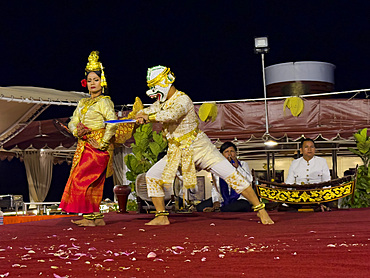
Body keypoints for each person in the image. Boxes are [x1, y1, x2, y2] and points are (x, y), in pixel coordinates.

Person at [136, 65, 274, 225]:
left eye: (154, 86)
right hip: (177, 152)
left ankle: (261, 210)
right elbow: (153, 109)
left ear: (166, 82)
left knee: (233, 176)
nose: (152, 92)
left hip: (200, 148)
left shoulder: (183, 100)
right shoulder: (162, 102)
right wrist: (141, 114)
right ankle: (161, 216)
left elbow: (171, 115)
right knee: (152, 175)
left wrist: (149, 117)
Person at [59, 51, 118, 227]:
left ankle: (90, 216)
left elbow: (112, 124)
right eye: (90, 80)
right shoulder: (82, 103)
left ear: (102, 81)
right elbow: (72, 121)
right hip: (84, 144)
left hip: (97, 146)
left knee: (82, 179)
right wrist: (77, 130)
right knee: (91, 182)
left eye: (96, 80)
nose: (93, 83)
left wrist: (103, 143)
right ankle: (95, 217)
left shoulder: (105, 102)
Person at [196, 141, 252, 212]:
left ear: (235, 153)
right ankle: (220, 208)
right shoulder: (218, 167)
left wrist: (238, 168)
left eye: (232, 151)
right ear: (222, 155)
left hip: (239, 198)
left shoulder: (243, 164)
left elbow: (249, 180)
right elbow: (215, 187)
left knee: (243, 206)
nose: (229, 154)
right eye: (226, 152)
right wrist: (216, 201)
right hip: (223, 198)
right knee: (200, 207)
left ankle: (220, 209)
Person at [285, 138, 331, 211]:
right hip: (299, 199)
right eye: (306, 147)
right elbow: (289, 183)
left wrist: (325, 199)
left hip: (318, 198)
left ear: (314, 149)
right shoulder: (295, 163)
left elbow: (327, 182)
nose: (309, 149)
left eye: (312, 147)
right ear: (301, 150)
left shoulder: (322, 161)